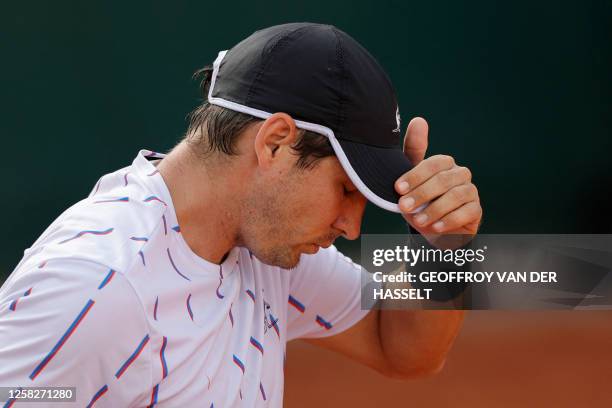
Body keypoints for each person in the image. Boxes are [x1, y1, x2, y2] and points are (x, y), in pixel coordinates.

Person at [0, 23, 481, 407]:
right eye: (345, 190)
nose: (350, 227)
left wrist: (442, 248)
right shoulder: (97, 288)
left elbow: (401, 350)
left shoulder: (262, 250)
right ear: (275, 143)